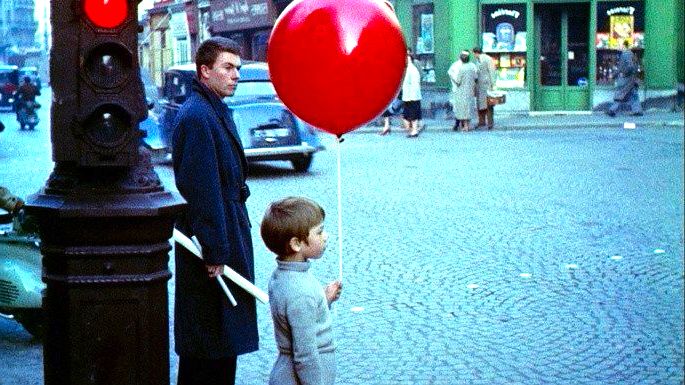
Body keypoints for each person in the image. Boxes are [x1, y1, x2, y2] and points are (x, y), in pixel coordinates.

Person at [171, 37, 258, 385]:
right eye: (228, 67)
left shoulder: (213, 109)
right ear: (205, 71)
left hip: (224, 231)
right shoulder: (197, 116)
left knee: (223, 339)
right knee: (209, 340)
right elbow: (201, 190)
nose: (235, 75)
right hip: (210, 243)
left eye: (238, 68)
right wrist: (215, 250)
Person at [260, 196, 343, 385]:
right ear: (296, 243)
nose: (326, 236)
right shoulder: (301, 292)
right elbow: (305, 354)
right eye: (319, 232)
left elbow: (300, 316)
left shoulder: (283, 276)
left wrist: (324, 299)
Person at [607, 40, 643, 117]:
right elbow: (634, 66)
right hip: (632, 78)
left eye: (619, 45)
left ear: (623, 46)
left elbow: (629, 67)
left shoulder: (625, 54)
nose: (618, 46)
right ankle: (637, 111)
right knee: (633, 94)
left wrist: (623, 74)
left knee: (620, 93)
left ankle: (612, 110)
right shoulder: (630, 54)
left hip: (627, 78)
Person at [447, 50, 478, 132]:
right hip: (470, 90)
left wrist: (453, 78)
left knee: (462, 108)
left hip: (461, 90)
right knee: (468, 108)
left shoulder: (460, 67)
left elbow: (457, 81)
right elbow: (476, 77)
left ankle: (464, 126)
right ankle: (467, 125)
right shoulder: (472, 66)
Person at [473, 47, 497, 129]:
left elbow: (492, 71)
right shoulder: (478, 60)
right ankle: (481, 121)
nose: (474, 55)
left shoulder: (488, 59)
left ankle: (490, 123)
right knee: (480, 104)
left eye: (474, 54)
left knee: (489, 104)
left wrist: (493, 85)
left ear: (476, 53)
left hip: (487, 85)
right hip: (480, 86)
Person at [401, 51, 423, 138]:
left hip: (411, 96)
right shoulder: (412, 69)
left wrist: (410, 96)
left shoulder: (410, 69)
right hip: (412, 96)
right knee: (411, 115)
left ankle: (414, 131)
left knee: (411, 115)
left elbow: (411, 84)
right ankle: (414, 130)